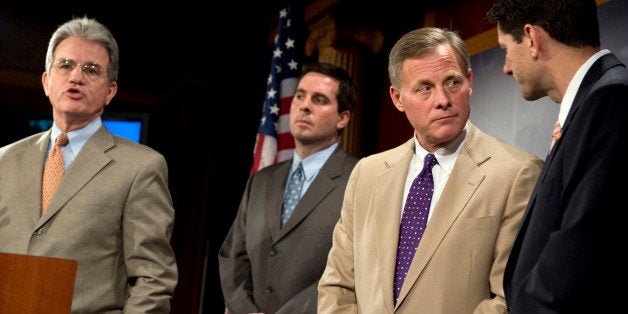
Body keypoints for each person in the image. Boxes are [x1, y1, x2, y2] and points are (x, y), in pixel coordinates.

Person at [318, 27, 544, 313]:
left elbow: (507, 299)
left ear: (470, 82)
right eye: (424, 87)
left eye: (452, 82)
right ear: (397, 98)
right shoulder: (367, 173)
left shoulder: (518, 173)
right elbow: (337, 287)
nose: (443, 99)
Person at [0, 17, 177, 312]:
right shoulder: (4, 160)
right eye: (65, 65)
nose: (76, 77)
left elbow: (153, 280)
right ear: (46, 81)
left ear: (110, 91)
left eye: (91, 69)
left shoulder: (141, 168)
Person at [486, 1, 628, 312]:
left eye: (505, 49)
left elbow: (580, 252)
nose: (506, 67)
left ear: (532, 38)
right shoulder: (594, 102)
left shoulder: (609, 101)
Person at [219, 62, 359, 314]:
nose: (304, 106)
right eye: (300, 96)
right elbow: (233, 257)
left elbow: (353, 268)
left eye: (319, 100)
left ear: (342, 117)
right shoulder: (261, 181)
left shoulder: (359, 180)